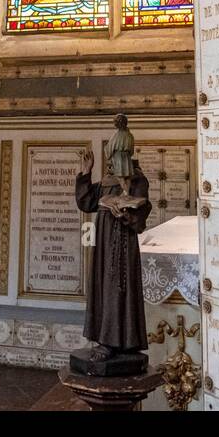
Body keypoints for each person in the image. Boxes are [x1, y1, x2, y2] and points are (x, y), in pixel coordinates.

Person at [73, 145, 151, 369]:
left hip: (124, 242)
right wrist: (86, 173)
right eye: (113, 156)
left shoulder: (138, 180)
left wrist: (126, 211)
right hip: (105, 243)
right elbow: (86, 202)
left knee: (121, 288)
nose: (115, 160)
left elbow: (142, 209)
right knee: (105, 287)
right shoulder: (107, 181)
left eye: (120, 155)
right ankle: (105, 340)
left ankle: (123, 342)